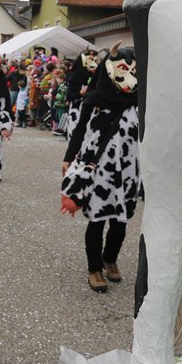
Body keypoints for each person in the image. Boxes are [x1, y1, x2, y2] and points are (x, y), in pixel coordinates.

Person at [61, 45, 140, 293]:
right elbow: (80, 129)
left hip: (128, 172)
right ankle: (94, 268)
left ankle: (110, 259)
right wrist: (69, 157)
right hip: (99, 169)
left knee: (121, 221)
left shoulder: (139, 102)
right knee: (97, 219)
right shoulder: (94, 100)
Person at [65, 49, 99, 141]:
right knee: (76, 138)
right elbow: (69, 96)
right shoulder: (76, 77)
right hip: (77, 111)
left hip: (91, 111)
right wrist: (81, 92)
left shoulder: (96, 77)